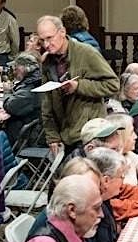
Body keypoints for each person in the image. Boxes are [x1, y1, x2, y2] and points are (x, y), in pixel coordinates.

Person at [37, 15, 119, 156]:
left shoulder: (86, 53)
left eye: (49, 38)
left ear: (62, 32)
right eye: (42, 40)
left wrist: (79, 86)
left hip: (89, 133)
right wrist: (52, 136)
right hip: (64, 133)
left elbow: (113, 84)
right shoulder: (47, 62)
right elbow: (46, 104)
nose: (46, 44)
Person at [106, 113, 138, 186]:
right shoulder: (109, 166)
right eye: (131, 133)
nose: (135, 136)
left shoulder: (127, 155)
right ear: (120, 137)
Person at [3, 52, 42, 145]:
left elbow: (11, 106)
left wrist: (8, 93)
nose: (14, 72)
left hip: (24, 136)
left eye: (16, 68)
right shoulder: (35, 80)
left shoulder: (30, 89)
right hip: (28, 129)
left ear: (22, 68)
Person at [0, 0, 19, 66]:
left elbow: (15, 41)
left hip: (1, 56)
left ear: (3, 4)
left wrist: (12, 58)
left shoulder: (10, 19)